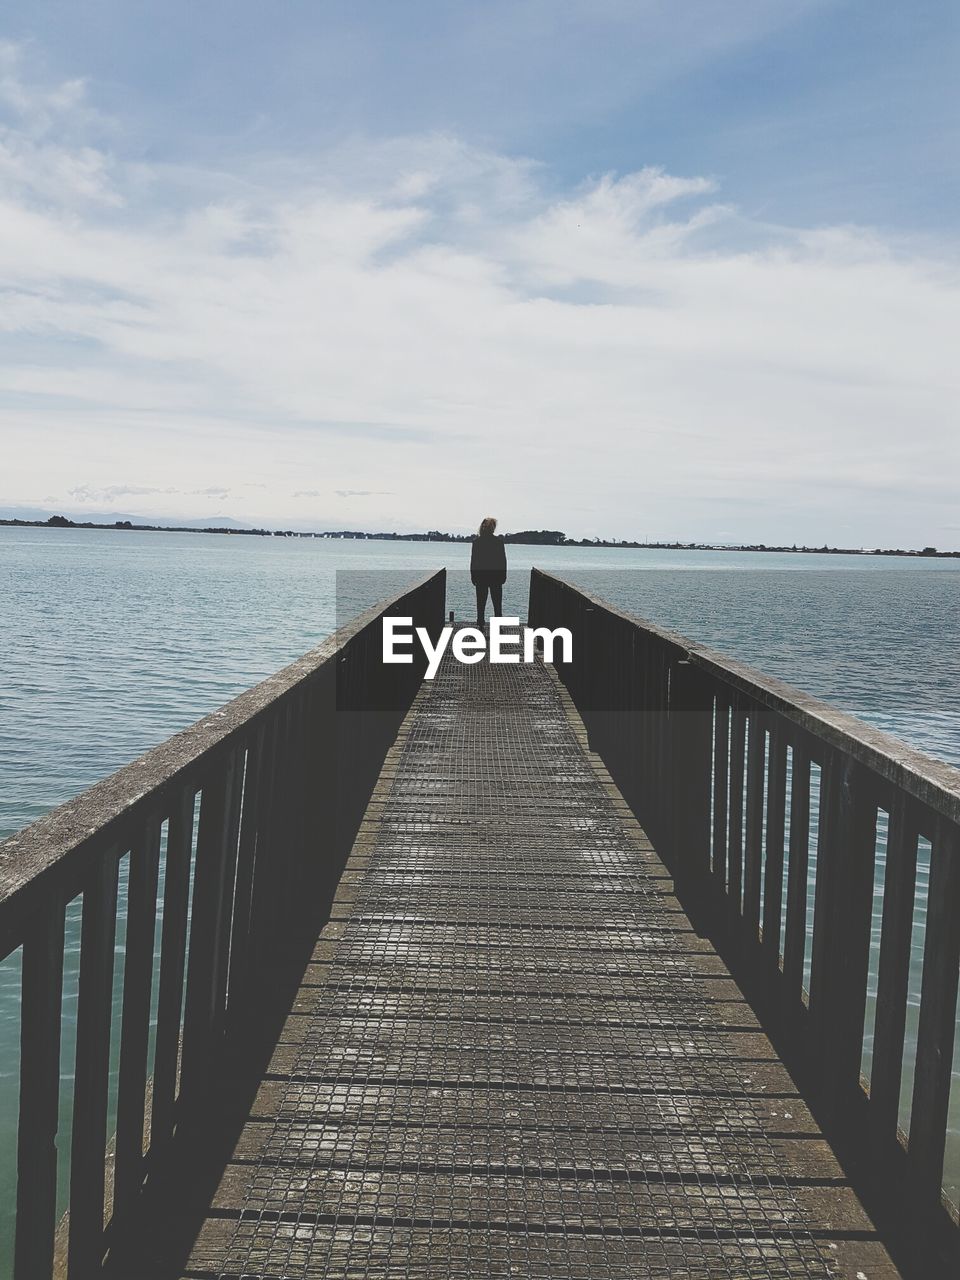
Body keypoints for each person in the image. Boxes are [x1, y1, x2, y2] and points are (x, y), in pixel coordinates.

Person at [470, 516, 507, 626]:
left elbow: (473, 561)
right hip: (496, 577)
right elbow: (503, 561)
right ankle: (498, 627)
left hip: (481, 576)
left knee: (480, 603)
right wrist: (503, 576)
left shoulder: (477, 542)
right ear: (493, 528)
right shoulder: (498, 542)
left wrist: (473, 576)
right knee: (497, 604)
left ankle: (480, 623)